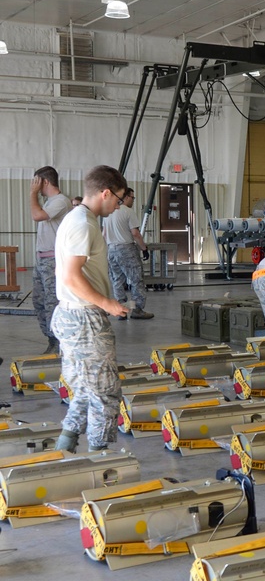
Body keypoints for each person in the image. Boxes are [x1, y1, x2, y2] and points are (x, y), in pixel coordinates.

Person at [52, 165, 130, 453]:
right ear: (105, 193)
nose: (118, 205)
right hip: (84, 318)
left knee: (86, 386)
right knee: (105, 391)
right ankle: (99, 459)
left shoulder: (79, 219)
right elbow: (71, 276)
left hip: (73, 314)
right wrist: (107, 303)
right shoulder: (83, 223)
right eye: (118, 199)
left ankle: (67, 441)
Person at [29, 166, 72, 354]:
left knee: (51, 302)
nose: (34, 186)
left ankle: (57, 342)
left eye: (36, 182)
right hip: (42, 259)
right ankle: (50, 338)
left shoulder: (61, 201)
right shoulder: (49, 202)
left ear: (45, 182)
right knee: (39, 301)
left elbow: (37, 216)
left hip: (53, 260)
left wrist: (32, 194)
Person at [103, 187, 153, 320]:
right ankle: (138, 309)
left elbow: (104, 234)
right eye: (132, 197)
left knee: (117, 280)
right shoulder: (128, 212)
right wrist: (144, 248)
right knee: (136, 279)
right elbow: (135, 233)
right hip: (126, 249)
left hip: (111, 249)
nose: (133, 201)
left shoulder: (109, 212)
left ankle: (121, 310)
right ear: (125, 197)